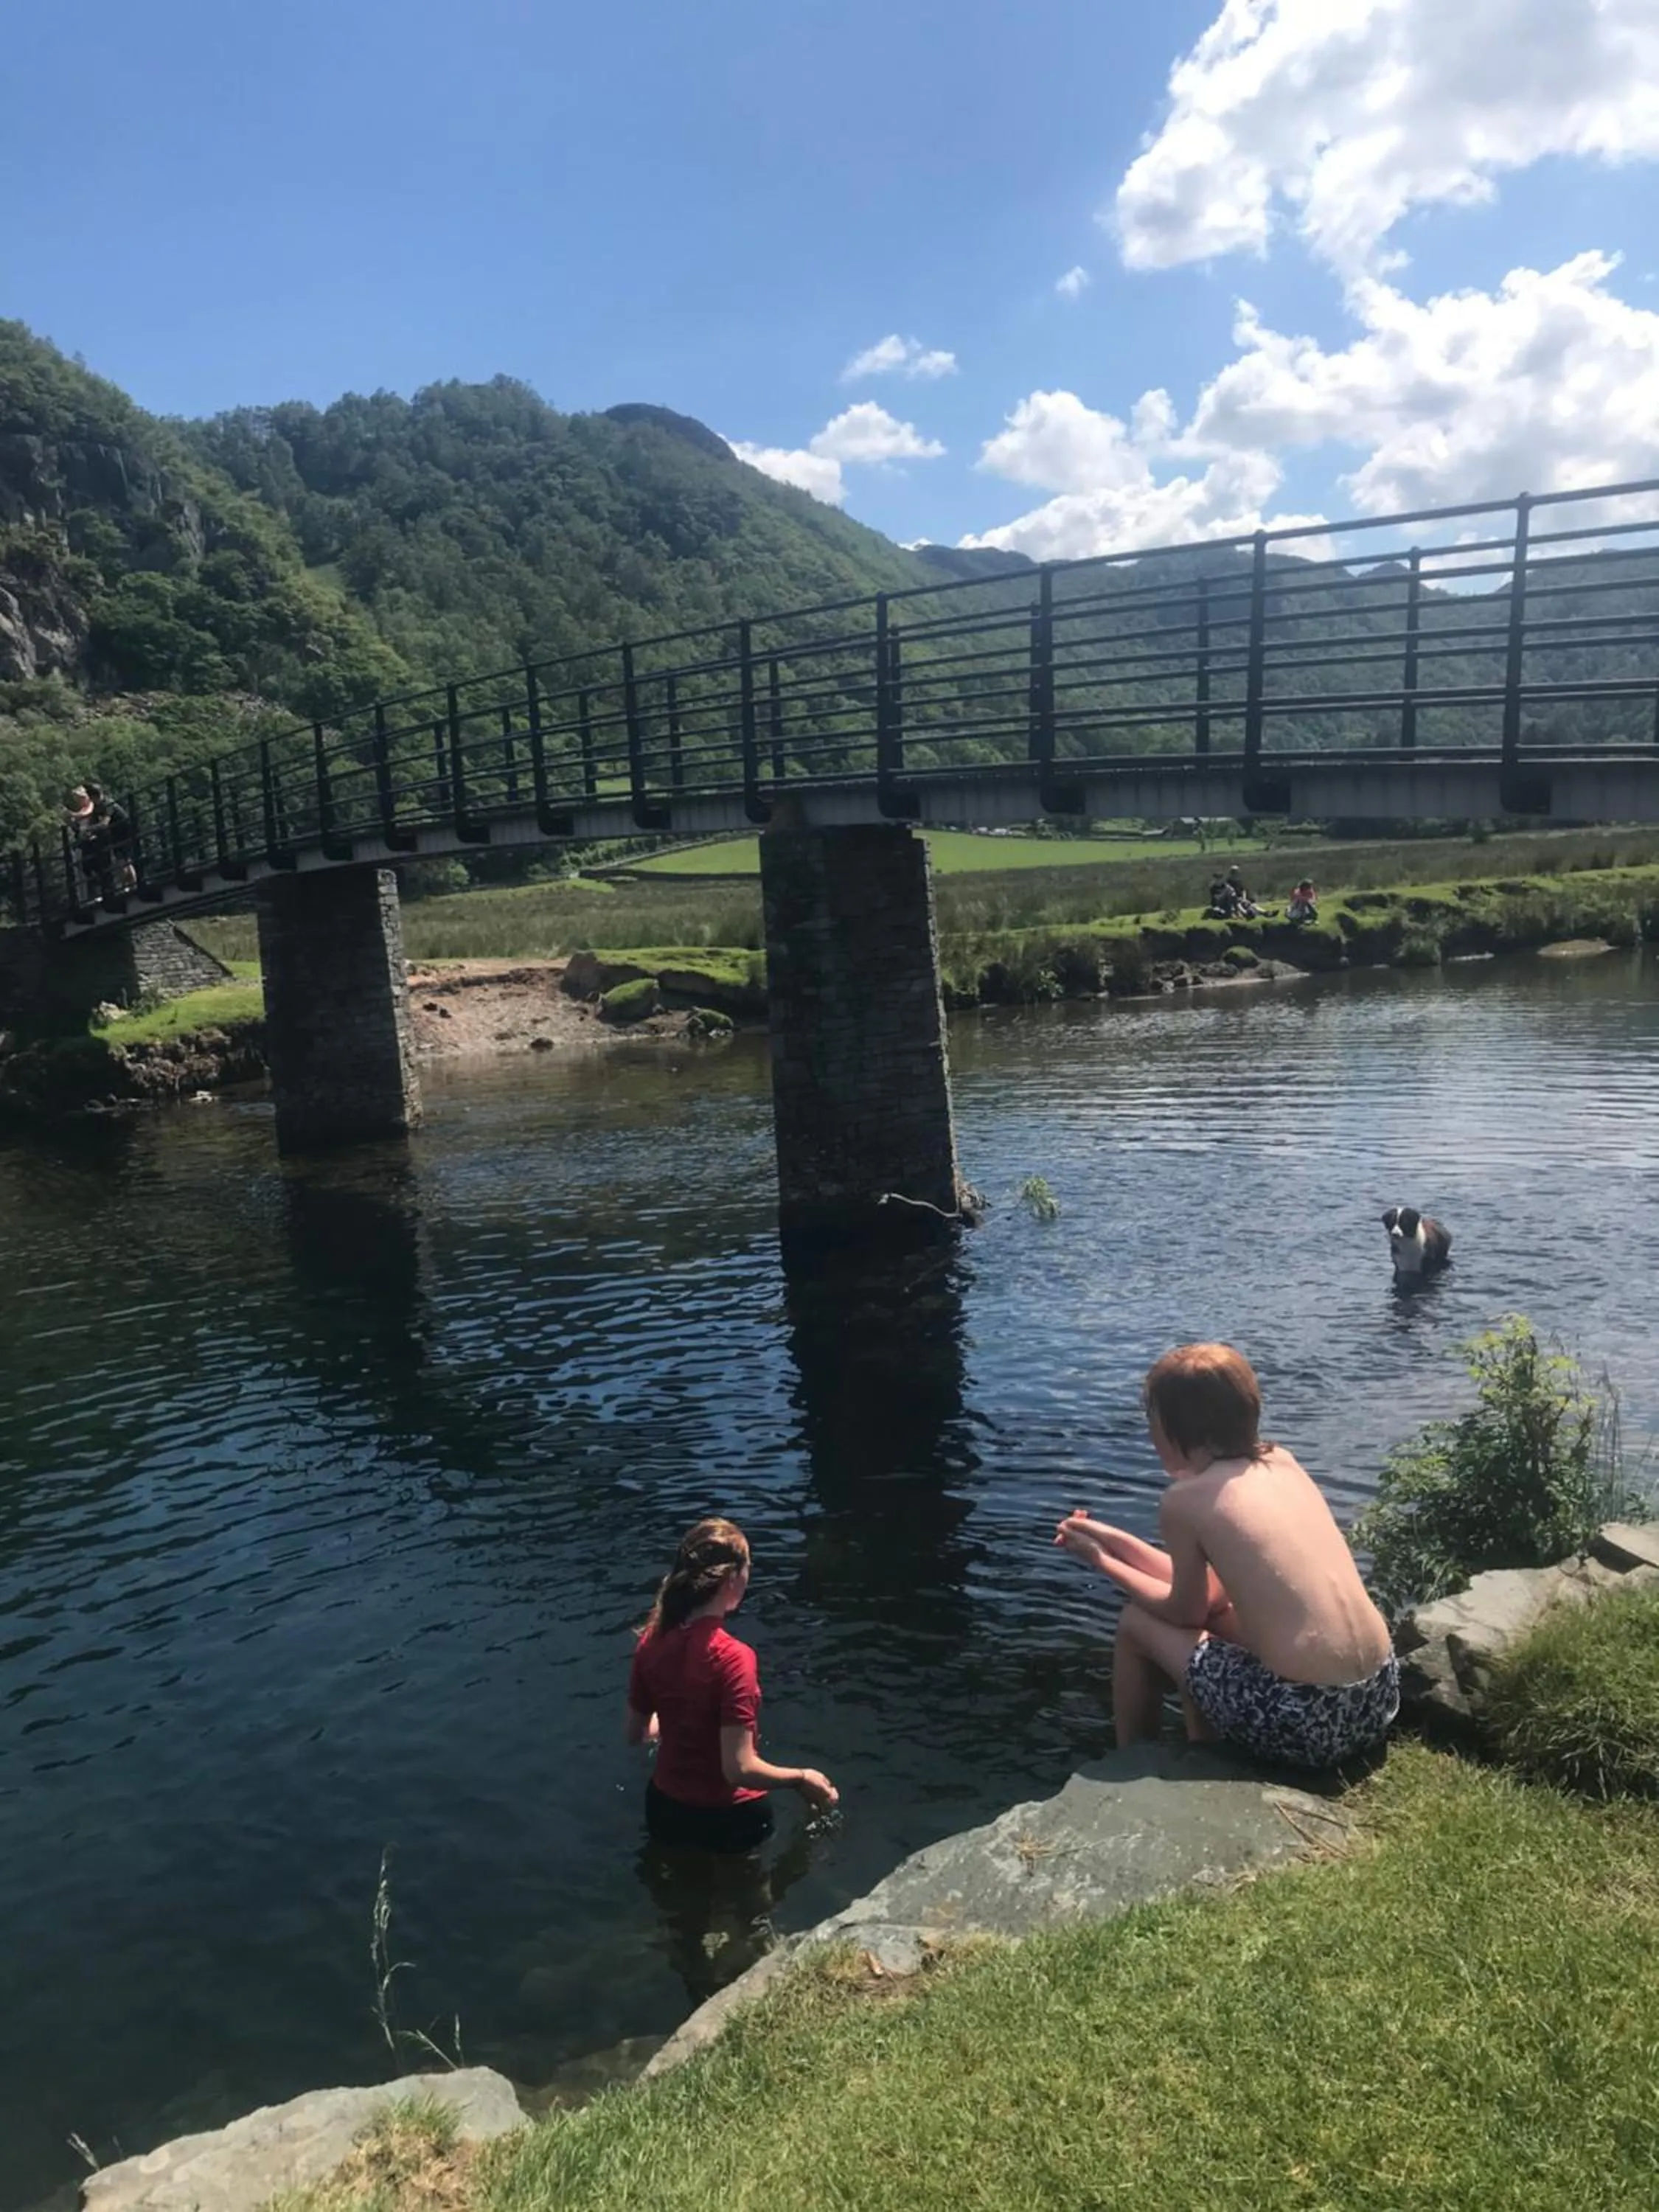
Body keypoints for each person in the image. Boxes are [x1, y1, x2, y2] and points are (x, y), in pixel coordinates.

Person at [1055, 1345, 1399, 1768]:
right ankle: (1203, 1745)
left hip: (1309, 1721)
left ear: (1176, 1426)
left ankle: (1132, 1762)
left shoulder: (1185, 1500)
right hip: (1376, 1697)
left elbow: (1185, 1612)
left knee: (1135, 1623)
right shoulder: (1281, 1462)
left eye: (1152, 1418)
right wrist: (1108, 1538)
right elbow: (1213, 1600)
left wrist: (1101, 1561)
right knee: (1221, 1620)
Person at [627, 1517, 837, 1852]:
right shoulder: (734, 1657)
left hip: (665, 1809)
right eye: (748, 1566)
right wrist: (801, 1778)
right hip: (730, 1819)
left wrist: (672, 1718)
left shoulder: (651, 1642)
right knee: (749, 1889)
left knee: (673, 1883)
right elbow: (738, 1770)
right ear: (731, 1579)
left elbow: (635, 1734)